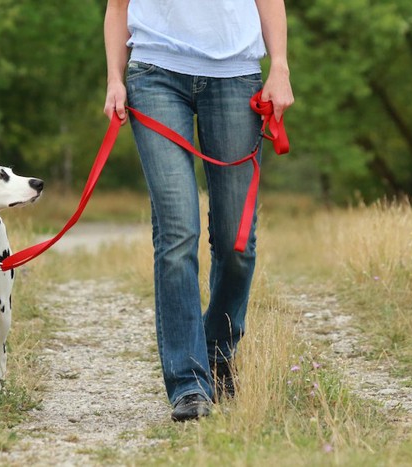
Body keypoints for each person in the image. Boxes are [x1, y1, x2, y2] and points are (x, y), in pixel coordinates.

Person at [103, 0, 294, 422]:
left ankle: (217, 351)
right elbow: (118, 6)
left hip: (236, 75)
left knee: (236, 242)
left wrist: (279, 66)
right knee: (177, 234)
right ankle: (188, 384)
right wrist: (115, 79)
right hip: (154, 75)